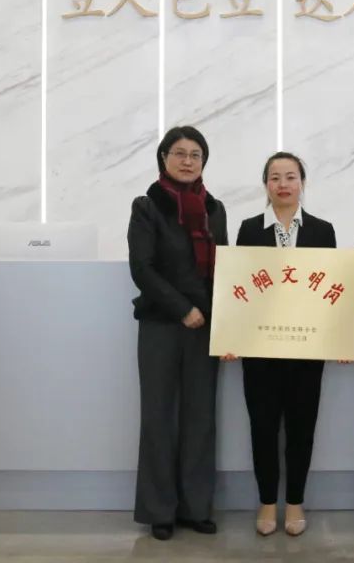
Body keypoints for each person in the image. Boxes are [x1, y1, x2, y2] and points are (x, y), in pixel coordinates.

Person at [224, 152, 337, 536]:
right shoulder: (249, 229)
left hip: (307, 350)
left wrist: (341, 337)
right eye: (275, 177)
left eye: (291, 176)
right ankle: (267, 501)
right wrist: (230, 336)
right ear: (266, 185)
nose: (283, 184)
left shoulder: (322, 230)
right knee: (263, 428)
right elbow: (238, 288)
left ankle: (296, 501)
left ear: (302, 182)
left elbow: (332, 289)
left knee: (302, 429)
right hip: (260, 352)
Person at [127, 125, 228, 541]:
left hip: (207, 327)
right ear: (163, 158)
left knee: (200, 417)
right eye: (180, 153)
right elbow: (142, 268)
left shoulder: (215, 208)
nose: (188, 161)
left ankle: (195, 507)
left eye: (196, 155)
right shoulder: (147, 206)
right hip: (162, 324)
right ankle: (160, 511)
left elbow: (226, 269)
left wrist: (228, 320)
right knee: (159, 417)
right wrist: (182, 309)